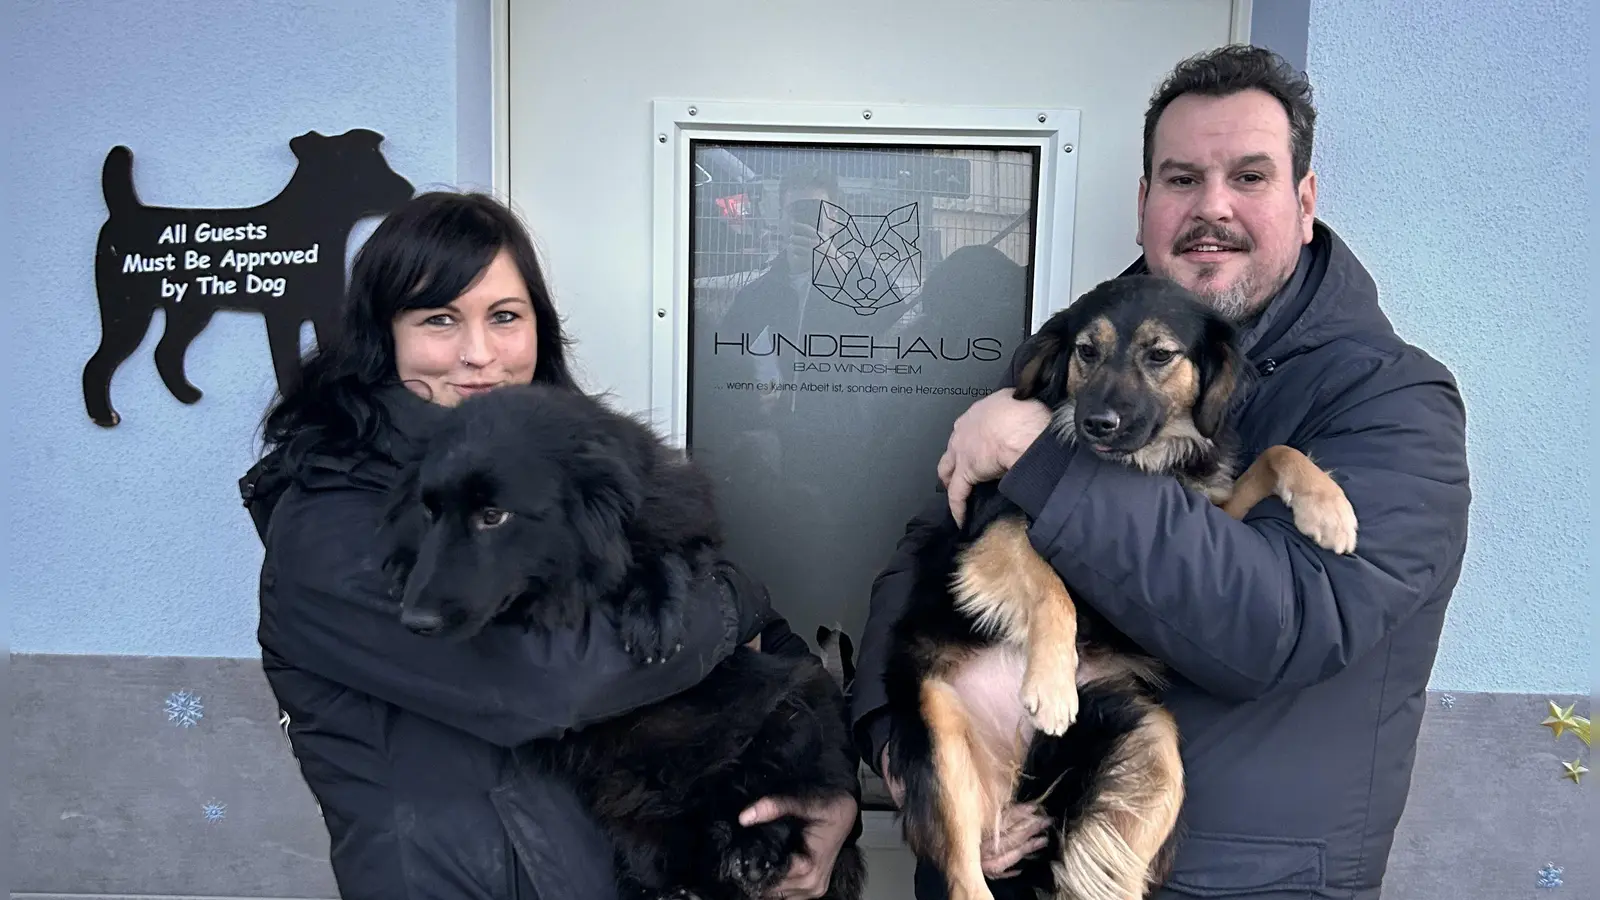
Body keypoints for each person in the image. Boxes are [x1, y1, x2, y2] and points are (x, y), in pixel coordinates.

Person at [850, 45, 1472, 900]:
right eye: (1181, 179)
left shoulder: (1393, 401)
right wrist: (901, 745)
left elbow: (1278, 627)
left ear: (1304, 198)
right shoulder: (1086, 345)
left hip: (1224, 881)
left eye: (1249, 176)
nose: (1210, 207)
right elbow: (938, 539)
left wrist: (1041, 458)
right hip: (1002, 859)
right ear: (1144, 201)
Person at [240, 190, 859, 900]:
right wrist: (730, 602)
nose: (479, 355)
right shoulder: (334, 527)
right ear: (384, 337)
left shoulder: (558, 473)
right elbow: (553, 680)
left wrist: (833, 802)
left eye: (505, 317)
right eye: (439, 320)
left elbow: (768, 644)